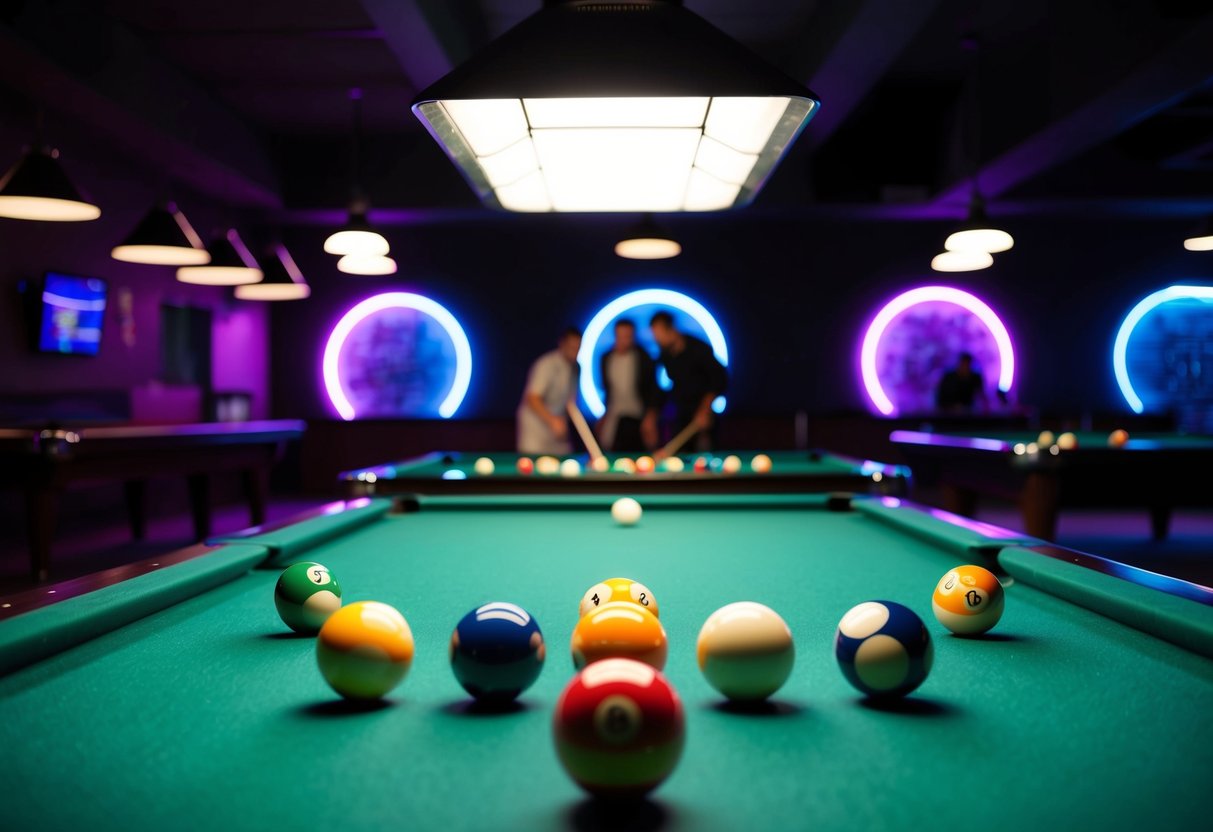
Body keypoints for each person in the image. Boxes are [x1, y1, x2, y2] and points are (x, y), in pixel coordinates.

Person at [649, 311, 728, 455]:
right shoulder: (665, 355)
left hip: (705, 413)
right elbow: (662, 389)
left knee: (707, 458)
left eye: (658, 334)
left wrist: (705, 409)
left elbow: (720, 379)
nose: (656, 339)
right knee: (680, 456)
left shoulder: (699, 349)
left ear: (670, 329)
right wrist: (652, 414)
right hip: (682, 413)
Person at [598, 318, 660, 452]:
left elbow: (654, 389)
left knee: (639, 457)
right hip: (614, 418)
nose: (625, 340)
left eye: (628, 336)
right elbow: (608, 391)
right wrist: (604, 416)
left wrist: (650, 417)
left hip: (638, 418)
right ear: (616, 336)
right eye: (622, 336)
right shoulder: (606, 358)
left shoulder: (644, 357)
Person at [517, 327, 582, 456]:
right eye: (571, 347)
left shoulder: (576, 368)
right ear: (562, 344)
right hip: (536, 428)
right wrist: (552, 420)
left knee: (565, 462)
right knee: (534, 468)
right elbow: (532, 398)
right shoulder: (546, 364)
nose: (575, 352)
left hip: (558, 427)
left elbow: (571, 401)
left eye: (578, 348)